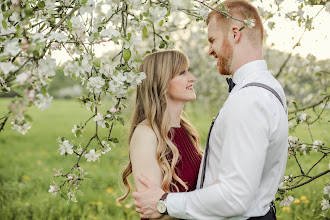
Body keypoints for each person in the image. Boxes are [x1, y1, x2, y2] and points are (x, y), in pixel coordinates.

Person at [131, 0, 288, 219]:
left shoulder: (249, 99)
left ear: (235, 34)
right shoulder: (266, 90)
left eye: (212, 39)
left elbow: (234, 196)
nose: (209, 50)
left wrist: (165, 203)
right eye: (182, 72)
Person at [117, 50, 203, 219]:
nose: (192, 78)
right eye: (182, 72)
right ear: (162, 82)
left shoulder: (186, 131)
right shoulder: (147, 134)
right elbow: (154, 211)